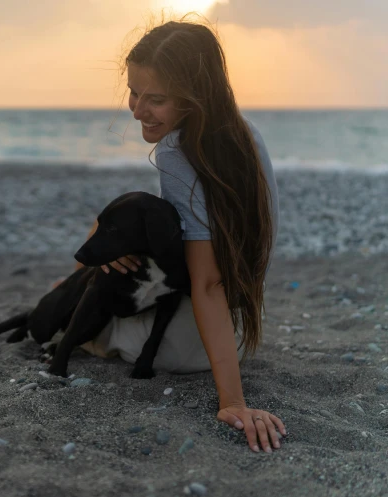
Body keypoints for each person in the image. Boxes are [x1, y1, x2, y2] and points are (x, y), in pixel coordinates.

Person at [73, 18, 286, 453]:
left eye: (156, 99)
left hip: (187, 348)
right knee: (111, 231)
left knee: (85, 281)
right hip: (239, 334)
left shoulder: (176, 151)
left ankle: (83, 314)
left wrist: (233, 403)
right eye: (133, 92)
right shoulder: (245, 133)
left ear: (194, 97)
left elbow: (207, 283)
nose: (136, 109)